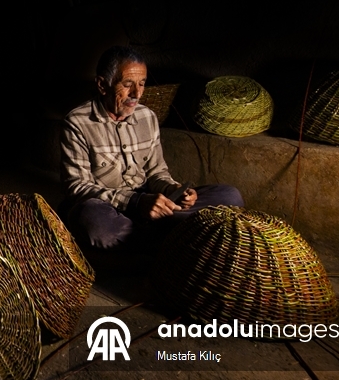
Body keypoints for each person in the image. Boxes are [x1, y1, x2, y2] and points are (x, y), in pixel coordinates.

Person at [60, 46, 244, 250]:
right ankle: (175, 237)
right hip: (111, 208)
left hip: (150, 204)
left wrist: (173, 189)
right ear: (103, 85)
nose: (137, 94)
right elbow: (77, 187)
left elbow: (157, 172)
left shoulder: (147, 117)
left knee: (229, 196)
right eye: (128, 84)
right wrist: (136, 202)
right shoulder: (77, 122)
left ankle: (148, 240)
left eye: (142, 83)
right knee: (91, 219)